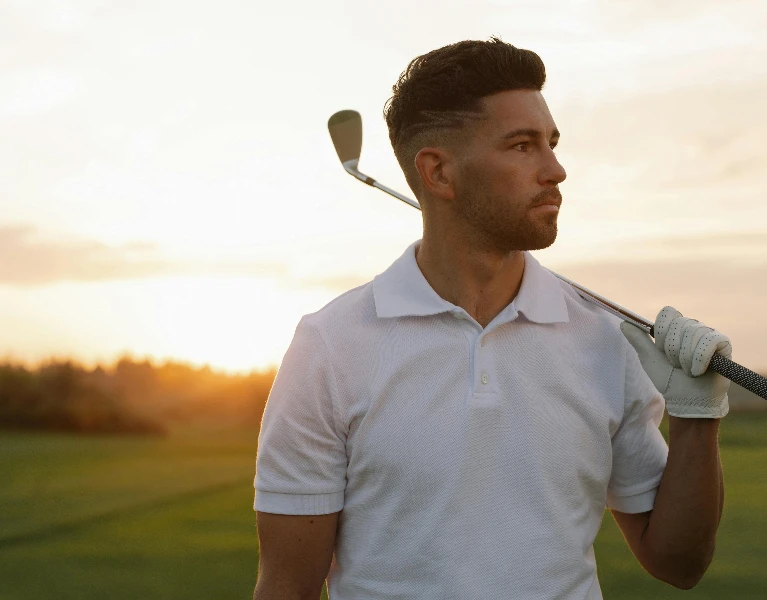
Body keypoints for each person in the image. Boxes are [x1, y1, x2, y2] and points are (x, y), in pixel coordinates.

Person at [253, 36, 731, 600]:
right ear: (438, 173)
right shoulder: (330, 347)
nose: (556, 170)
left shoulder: (605, 339)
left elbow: (679, 562)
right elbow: (289, 586)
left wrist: (697, 415)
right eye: (522, 146)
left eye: (551, 143)